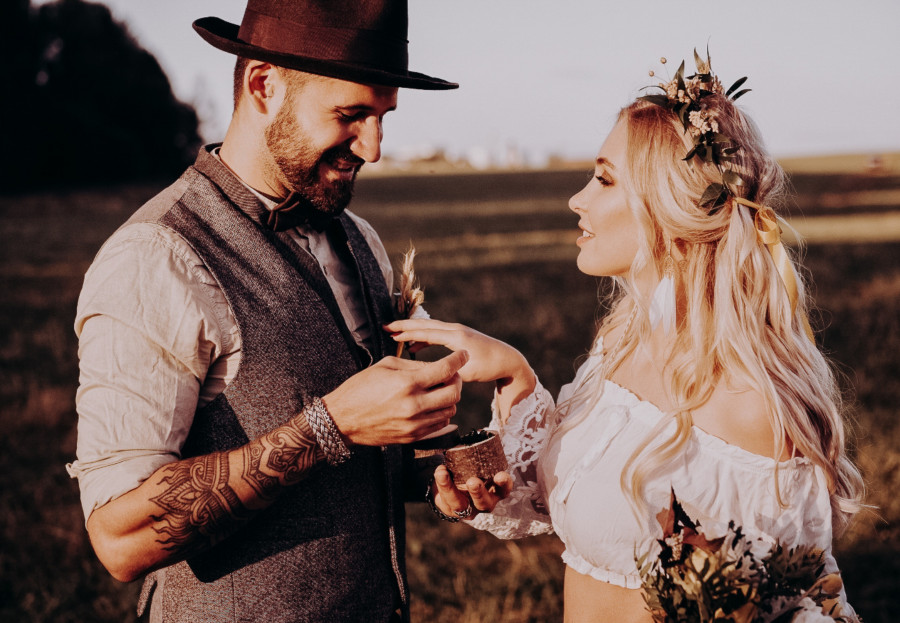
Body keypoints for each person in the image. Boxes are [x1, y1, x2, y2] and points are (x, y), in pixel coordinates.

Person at [387, 52, 865, 621]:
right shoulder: (620, 346)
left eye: (604, 179)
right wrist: (516, 378)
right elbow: (581, 502)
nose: (577, 199)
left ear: (670, 207)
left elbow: (795, 603)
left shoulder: (750, 406)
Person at [65, 2, 503, 621]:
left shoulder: (360, 239)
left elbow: (355, 455)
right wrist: (329, 426)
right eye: (350, 115)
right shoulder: (155, 257)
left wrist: (433, 475)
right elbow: (119, 538)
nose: (374, 148)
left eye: (382, 117)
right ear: (264, 86)